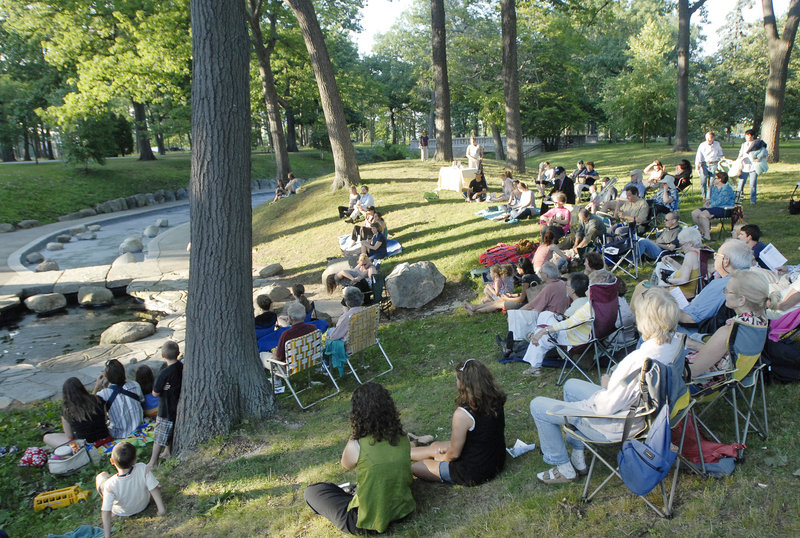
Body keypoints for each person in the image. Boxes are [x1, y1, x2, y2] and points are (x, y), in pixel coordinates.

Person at [529, 287, 682, 484]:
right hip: (647, 410)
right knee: (570, 385)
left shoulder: (639, 360)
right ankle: (578, 453)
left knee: (538, 405)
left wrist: (606, 387)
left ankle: (562, 467)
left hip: (618, 422)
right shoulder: (674, 345)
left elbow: (606, 407)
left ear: (645, 320)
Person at [305, 382, 414, 534]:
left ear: (357, 413)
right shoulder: (403, 437)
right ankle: (352, 491)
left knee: (313, 491)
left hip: (366, 521)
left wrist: (356, 433)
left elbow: (346, 464)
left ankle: (349, 492)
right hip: (402, 510)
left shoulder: (357, 444)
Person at [410, 359, 506, 486]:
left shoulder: (462, 414)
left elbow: (454, 454)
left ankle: (402, 454)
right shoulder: (496, 399)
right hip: (495, 459)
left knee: (417, 467)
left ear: (463, 383)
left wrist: (443, 459)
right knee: (436, 446)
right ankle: (406, 451)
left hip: (474, 471)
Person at [686, 270, 779, 389]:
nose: (724, 293)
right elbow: (728, 354)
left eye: (727, 290)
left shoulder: (727, 332)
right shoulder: (760, 321)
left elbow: (691, 372)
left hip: (699, 384)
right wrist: (693, 344)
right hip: (729, 377)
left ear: (741, 300)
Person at [519, 269, 618, 377]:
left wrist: (543, 331)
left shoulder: (590, 308)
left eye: (590, 285)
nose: (588, 288)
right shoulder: (610, 302)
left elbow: (569, 323)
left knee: (544, 335)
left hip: (577, 341)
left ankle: (534, 367)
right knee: (545, 315)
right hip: (595, 335)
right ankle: (535, 337)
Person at [677, 239, 754, 333]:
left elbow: (690, 319)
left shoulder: (722, 285)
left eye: (717, 255)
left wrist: (665, 307)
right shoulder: (755, 279)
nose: (714, 258)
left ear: (726, 261)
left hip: (696, 334)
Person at [96, 441, 166, 538]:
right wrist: (161, 509)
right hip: (143, 505)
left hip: (122, 512)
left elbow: (105, 511)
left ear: (112, 461)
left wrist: (107, 536)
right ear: (135, 459)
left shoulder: (110, 485)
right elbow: (154, 488)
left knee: (101, 476)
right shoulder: (143, 468)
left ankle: (113, 511)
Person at [632, 227, 703, 306]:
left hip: (681, 293)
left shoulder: (690, 255)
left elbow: (684, 280)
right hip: (687, 291)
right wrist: (672, 261)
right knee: (646, 286)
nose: (681, 247)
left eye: (682, 244)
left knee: (641, 287)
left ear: (690, 243)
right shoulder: (699, 252)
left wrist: (667, 280)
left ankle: (636, 315)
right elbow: (686, 270)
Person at [43, 377, 112, 449]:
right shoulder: (97, 399)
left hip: (85, 447)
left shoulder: (67, 410)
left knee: (47, 437)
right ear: (82, 388)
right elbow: (105, 419)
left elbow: (69, 436)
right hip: (106, 439)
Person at [147, 341, 183, 471]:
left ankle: (153, 461)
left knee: (160, 435)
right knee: (171, 430)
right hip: (177, 406)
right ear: (178, 353)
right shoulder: (182, 367)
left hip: (165, 408)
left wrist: (161, 388)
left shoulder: (164, 373)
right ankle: (168, 451)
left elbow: (155, 393)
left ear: (162, 355)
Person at [464, 258, 540, 315]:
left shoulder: (526, 278)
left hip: (527, 304)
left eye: (518, 267)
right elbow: (526, 293)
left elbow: (521, 299)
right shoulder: (534, 276)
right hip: (531, 301)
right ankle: (475, 307)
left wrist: (507, 298)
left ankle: (476, 312)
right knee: (498, 301)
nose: (516, 269)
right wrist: (512, 295)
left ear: (522, 268)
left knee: (497, 304)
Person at [95, 359, 144, 439]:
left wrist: (97, 387)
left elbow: (89, 405)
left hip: (119, 434)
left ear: (107, 376)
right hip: (139, 428)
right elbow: (142, 401)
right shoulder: (135, 385)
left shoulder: (103, 394)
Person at [260, 302, 317, 369]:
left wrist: (275, 354)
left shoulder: (287, 334)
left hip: (289, 366)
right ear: (304, 315)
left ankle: (276, 379)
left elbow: (278, 357)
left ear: (290, 318)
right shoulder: (313, 328)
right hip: (308, 360)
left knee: (261, 355)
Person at [323, 287, 365, 376]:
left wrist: (329, 337)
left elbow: (335, 336)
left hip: (350, 346)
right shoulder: (365, 311)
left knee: (331, 332)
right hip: (364, 340)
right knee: (332, 331)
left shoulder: (348, 317)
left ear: (347, 302)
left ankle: (326, 363)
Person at [691, 170, 735, 241]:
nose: (714, 180)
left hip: (724, 209)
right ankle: (703, 231)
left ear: (720, 180)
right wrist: (707, 203)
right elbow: (712, 199)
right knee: (694, 213)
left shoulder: (726, 188)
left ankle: (707, 236)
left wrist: (710, 206)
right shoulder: (715, 188)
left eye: (715, 178)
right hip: (713, 207)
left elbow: (721, 201)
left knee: (703, 215)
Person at [736, 129, 768, 205]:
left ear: (753, 136)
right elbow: (740, 154)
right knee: (740, 184)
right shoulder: (744, 145)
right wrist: (738, 160)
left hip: (753, 167)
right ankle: (738, 200)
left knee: (752, 184)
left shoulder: (758, 144)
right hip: (744, 166)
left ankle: (752, 200)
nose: (748, 137)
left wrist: (759, 158)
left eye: (749, 136)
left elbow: (765, 153)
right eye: (746, 136)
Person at [695, 131, 725, 200]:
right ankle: (704, 196)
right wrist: (697, 167)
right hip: (704, 164)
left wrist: (723, 159)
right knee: (703, 182)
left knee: (711, 183)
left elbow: (720, 153)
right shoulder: (702, 145)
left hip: (713, 164)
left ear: (713, 138)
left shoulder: (717, 144)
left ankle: (709, 198)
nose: (709, 140)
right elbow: (698, 157)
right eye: (707, 138)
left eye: (710, 138)